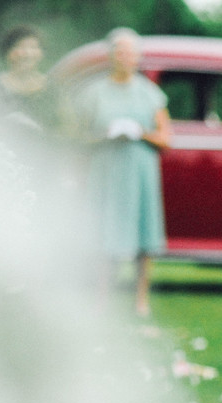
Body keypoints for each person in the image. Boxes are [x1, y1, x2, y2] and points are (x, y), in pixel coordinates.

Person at [75, 28, 171, 317]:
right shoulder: (93, 92)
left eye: (131, 52)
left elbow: (166, 137)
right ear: (110, 55)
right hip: (106, 171)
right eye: (120, 51)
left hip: (139, 171)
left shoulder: (149, 92)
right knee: (103, 234)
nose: (125, 57)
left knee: (145, 236)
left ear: (137, 57)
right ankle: (101, 299)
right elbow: (78, 137)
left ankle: (140, 300)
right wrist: (105, 135)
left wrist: (140, 132)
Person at [0, 25, 58, 138]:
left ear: (41, 54)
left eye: (33, 47)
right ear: (7, 52)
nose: (27, 53)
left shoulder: (52, 88)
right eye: (20, 47)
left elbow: (68, 127)